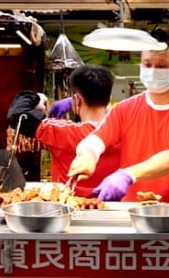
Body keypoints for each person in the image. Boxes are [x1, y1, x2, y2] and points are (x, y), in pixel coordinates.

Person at [68, 29, 169, 202]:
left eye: (162, 66)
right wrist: (88, 155)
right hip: (131, 211)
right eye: (147, 64)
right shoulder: (124, 109)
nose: (153, 71)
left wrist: (127, 175)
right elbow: (96, 139)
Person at [7, 65, 119, 197]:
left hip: (71, 206)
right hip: (117, 206)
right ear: (109, 97)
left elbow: (17, 113)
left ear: (77, 100)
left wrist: (38, 97)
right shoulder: (124, 130)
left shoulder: (65, 132)